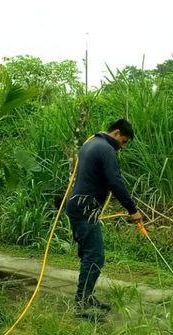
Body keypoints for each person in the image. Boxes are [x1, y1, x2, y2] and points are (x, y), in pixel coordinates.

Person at [65, 118, 143, 317]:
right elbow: (115, 181)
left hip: (78, 206)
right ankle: (81, 304)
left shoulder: (91, 143)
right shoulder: (106, 149)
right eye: (123, 141)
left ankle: (87, 297)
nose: (122, 147)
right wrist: (132, 209)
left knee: (89, 256)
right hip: (85, 208)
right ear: (116, 133)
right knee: (95, 256)